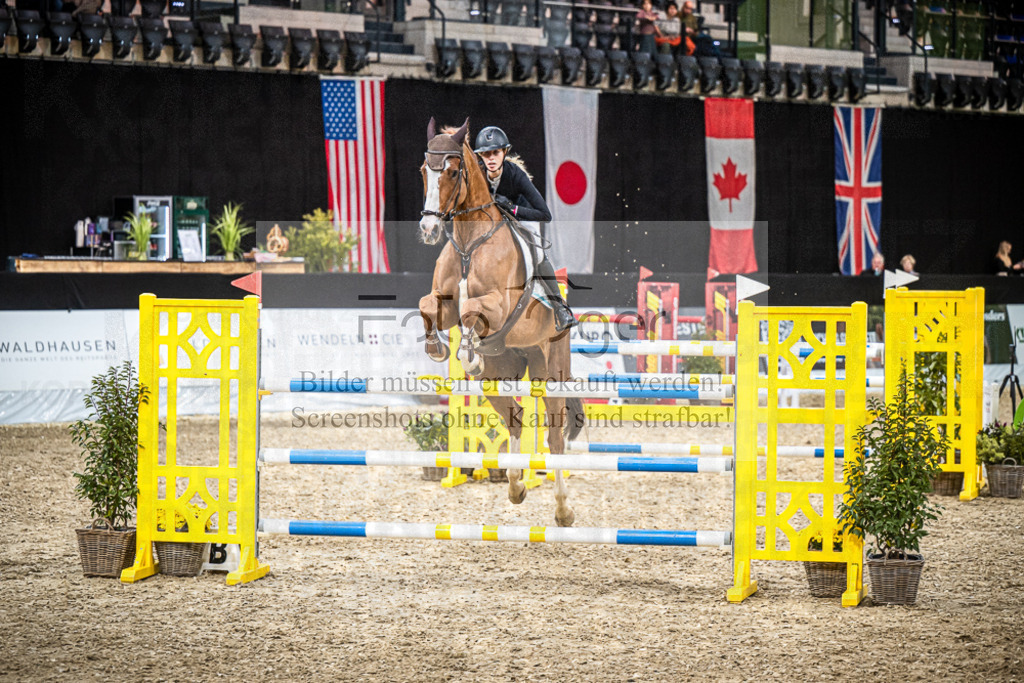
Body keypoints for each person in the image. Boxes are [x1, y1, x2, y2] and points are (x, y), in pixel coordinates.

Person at [473, 126, 576, 332]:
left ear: (504, 152)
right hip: (493, 224)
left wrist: (512, 208)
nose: (490, 158)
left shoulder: (516, 175)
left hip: (522, 217)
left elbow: (545, 214)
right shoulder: (478, 175)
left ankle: (560, 309)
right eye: (485, 154)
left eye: (495, 152)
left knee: (537, 254)